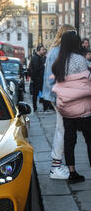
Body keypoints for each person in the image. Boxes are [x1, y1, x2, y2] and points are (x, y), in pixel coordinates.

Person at [52, 30, 91, 183]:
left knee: (69, 140)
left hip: (66, 109)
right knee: (89, 140)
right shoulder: (80, 60)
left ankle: (72, 172)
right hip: (82, 108)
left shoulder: (59, 62)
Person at [42, 24, 75, 179]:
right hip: (60, 97)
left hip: (60, 96)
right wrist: (58, 97)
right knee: (62, 130)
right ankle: (55, 167)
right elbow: (50, 79)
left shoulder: (58, 51)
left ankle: (58, 165)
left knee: (62, 129)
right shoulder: (57, 52)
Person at [29, 44, 47, 112]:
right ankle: (37, 107)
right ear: (39, 50)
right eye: (42, 49)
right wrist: (43, 66)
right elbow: (36, 69)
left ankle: (39, 107)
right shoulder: (36, 58)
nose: (44, 51)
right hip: (37, 79)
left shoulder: (39, 57)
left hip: (39, 79)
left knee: (38, 94)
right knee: (36, 94)